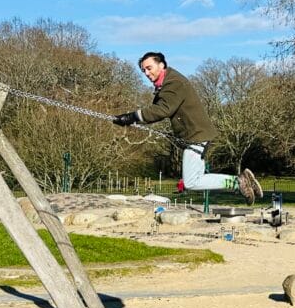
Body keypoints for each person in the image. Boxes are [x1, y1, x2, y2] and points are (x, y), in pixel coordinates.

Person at [112, 52, 262, 204]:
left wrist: (132, 117)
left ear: (161, 65)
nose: (146, 73)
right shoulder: (168, 82)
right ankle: (245, 182)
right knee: (196, 178)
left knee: (191, 181)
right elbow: (159, 109)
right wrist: (132, 120)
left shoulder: (174, 83)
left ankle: (239, 182)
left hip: (196, 136)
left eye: (149, 68)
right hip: (196, 135)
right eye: (144, 70)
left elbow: (163, 109)